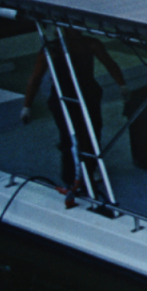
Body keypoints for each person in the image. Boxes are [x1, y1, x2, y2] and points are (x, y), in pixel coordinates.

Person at [23, 31, 126, 196]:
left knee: (93, 130)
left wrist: (122, 85)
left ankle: (91, 166)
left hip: (88, 93)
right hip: (62, 96)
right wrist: (27, 106)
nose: (75, 31)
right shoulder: (51, 49)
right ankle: (71, 177)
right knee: (68, 135)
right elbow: (36, 77)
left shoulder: (90, 43)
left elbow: (110, 64)